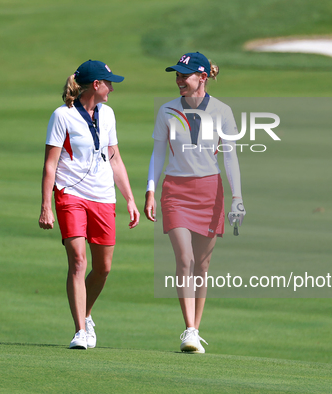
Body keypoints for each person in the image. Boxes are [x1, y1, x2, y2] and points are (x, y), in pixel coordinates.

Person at [144, 52, 245, 353]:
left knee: (202, 265)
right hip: (175, 190)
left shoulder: (222, 111)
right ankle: (188, 329)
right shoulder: (167, 110)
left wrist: (237, 197)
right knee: (185, 259)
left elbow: (230, 156)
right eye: (176, 75)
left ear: (202, 78)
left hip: (209, 192)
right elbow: (158, 154)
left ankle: (195, 329)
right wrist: (150, 189)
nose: (178, 81)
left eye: (184, 75)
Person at [39, 60, 140, 350]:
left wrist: (130, 199)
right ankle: (80, 331)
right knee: (79, 261)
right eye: (108, 82)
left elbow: (114, 158)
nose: (111, 87)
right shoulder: (62, 116)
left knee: (104, 267)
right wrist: (46, 205)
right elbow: (50, 164)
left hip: (103, 195)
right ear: (95, 85)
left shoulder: (108, 115)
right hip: (70, 193)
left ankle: (87, 313)